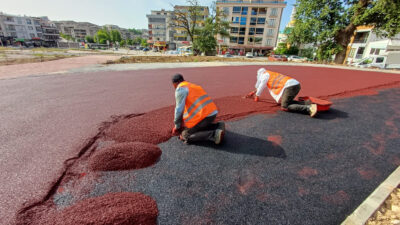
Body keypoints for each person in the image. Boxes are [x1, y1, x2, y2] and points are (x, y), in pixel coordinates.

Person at [171, 74, 225, 145]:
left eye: (173, 85)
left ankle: (214, 134)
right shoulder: (193, 86)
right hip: (212, 113)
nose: (174, 87)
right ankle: (218, 126)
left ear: (176, 83)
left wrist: (177, 126)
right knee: (198, 127)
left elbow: (179, 110)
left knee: (185, 135)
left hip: (204, 117)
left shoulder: (180, 89)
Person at [246, 68, 318, 117]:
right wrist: (254, 91)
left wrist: (257, 95)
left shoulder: (264, 76)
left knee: (285, 106)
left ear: (259, 74)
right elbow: (261, 85)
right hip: (295, 84)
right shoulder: (269, 73)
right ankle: (308, 103)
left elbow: (261, 85)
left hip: (290, 86)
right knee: (287, 101)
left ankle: (309, 108)